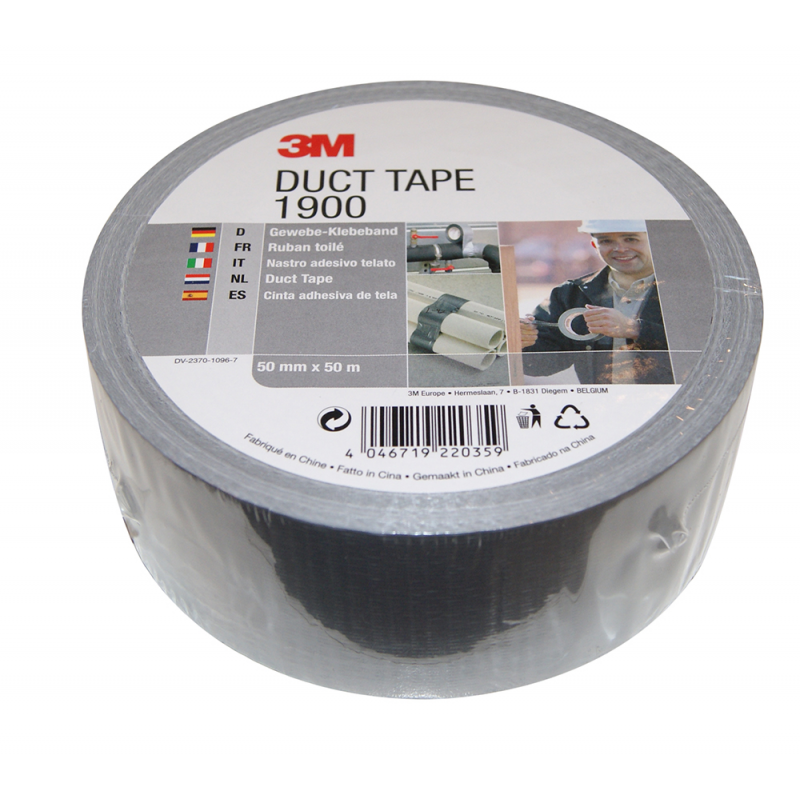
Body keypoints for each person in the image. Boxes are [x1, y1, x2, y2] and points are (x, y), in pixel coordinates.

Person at [520, 220, 672, 384]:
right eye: (606, 241)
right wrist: (523, 343)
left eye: (631, 239)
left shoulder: (682, 290)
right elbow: (545, 363)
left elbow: (691, 350)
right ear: (594, 245)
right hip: (602, 399)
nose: (620, 249)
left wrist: (634, 329)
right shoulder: (570, 294)